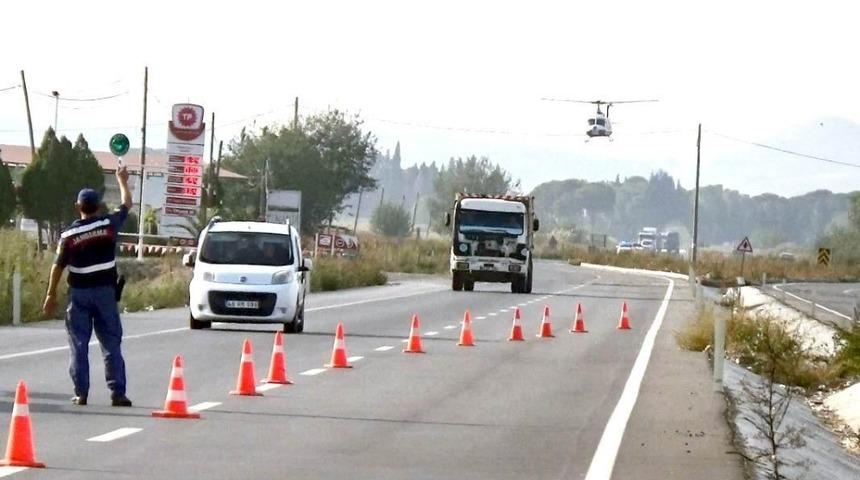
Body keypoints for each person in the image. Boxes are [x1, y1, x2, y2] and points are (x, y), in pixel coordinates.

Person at [42, 166, 133, 407]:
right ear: (98, 205)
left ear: (78, 207)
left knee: (79, 345)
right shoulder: (109, 224)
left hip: (79, 296)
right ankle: (118, 393)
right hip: (105, 293)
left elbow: (57, 267)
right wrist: (122, 180)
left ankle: (81, 393)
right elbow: (127, 204)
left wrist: (50, 294)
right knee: (111, 344)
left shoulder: (69, 235)